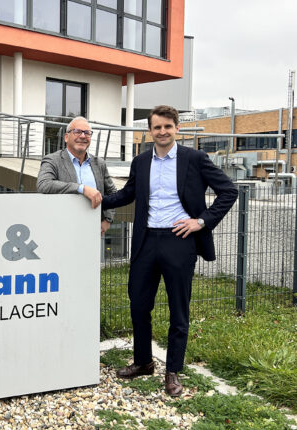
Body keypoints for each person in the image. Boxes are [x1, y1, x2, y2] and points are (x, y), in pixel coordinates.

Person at [102, 105, 238, 396]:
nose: (162, 132)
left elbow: (229, 191)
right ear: (150, 131)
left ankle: (173, 371)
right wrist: (98, 200)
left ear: (177, 128)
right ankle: (143, 362)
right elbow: (128, 193)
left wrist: (201, 221)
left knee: (178, 308)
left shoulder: (195, 159)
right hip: (145, 241)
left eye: (167, 126)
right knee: (139, 305)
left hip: (179, 240)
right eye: (157, 127)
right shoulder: (141, 161)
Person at [37, 117, 117, 235]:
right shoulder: (53, 160)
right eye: (77, 131)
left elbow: (113, 193)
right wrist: (82, 188)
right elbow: (43, 184)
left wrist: (108, 219)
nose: (83, 136)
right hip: (60, 230)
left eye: (87, 133)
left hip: (92, 231)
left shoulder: (99, 164)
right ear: (66, 137)